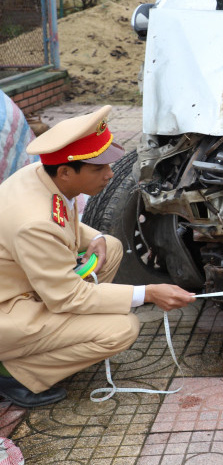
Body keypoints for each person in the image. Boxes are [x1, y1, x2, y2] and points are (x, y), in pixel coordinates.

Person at [0, 105, 196, 409]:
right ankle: (15, 374)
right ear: (66, 172)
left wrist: (98, 237)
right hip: (8, 313)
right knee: (122, 329)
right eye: (98, 168)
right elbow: (67, 294)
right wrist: (148, 294)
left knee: (112, 247)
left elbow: (63, 221)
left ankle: (65, 340)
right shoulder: (34, 223)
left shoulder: (41, 175)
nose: (109, 174)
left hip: (23, 288)